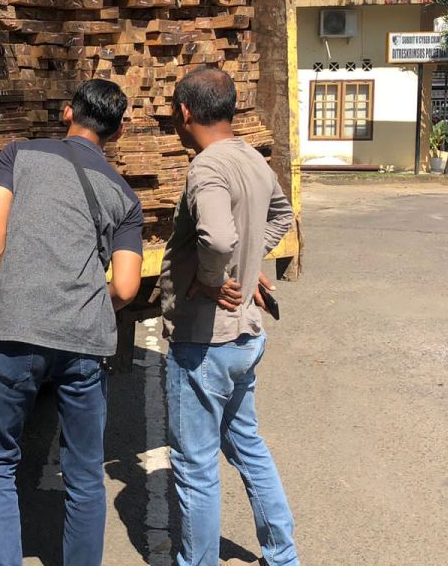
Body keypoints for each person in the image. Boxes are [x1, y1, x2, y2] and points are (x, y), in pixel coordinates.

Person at [0, 79, 145, 566]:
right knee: (86, 473)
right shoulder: (125, 195)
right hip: (86, 340)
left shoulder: (18, 155)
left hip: (16, 327)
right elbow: (127, 288)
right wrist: (89, 305)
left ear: (68, 113)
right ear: (119, 130)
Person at [157, 66, 299, 566]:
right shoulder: (252, 159)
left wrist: (217, 276)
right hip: (243, 340)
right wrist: (250, 262)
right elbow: (283, 216)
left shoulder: (208, 167)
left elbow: (217, 238)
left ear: (185, 112)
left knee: (195, 467)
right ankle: (282, 556)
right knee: (248, 447)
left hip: (205, 342)